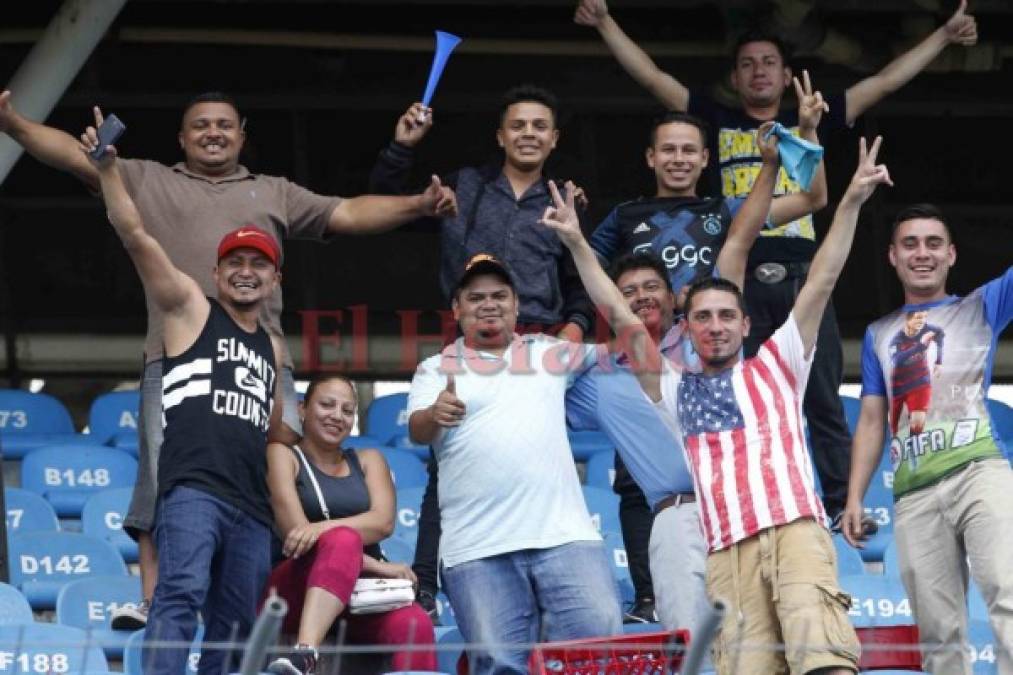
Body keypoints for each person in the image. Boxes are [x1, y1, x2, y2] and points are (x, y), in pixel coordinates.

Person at [0, 89, 454, 628]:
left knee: (281, 476)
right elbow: (74, 155)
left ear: (242, 134)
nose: (212, 132)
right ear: (181, 138)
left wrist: (418, 206)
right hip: (176, 361)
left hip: (265, 365)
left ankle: (269, 601)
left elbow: (349, 212)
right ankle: (152, 597)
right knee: (164, 479)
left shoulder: (273, 191)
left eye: (223, 125)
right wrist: (12, 122)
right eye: (199, 125)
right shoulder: (146, 177)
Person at [575, 0, 978, 523]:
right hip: (732, 283)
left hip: (798, 277)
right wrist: (606, 22)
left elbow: (883, 81)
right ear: (734, 78)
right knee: (736, 394)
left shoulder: (809, 116)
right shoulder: (712, 121)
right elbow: (653, 77)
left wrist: (944, 36)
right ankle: (750, 498)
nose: (758, 71)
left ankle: (837, 507)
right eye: (747, 64)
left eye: (769, 62)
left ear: (788, 75)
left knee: (822, 398)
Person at [542, 133, 895, 674]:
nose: (714, 326)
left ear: (747, 324)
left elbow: (822, 277)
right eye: (703, 317)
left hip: (796, 530)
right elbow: (619, 313)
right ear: (688, 326)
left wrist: (849, 202)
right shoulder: (676, 390)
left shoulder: (780, 363)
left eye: (727, 316)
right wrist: (576, 244)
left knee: (824, 662)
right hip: (726, 550)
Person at [370, 84, 595, 614]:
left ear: (554, 138)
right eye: (518, 125)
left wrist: (575, 330)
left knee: (537, 461)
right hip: (470, 341)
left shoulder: (567, 199)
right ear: (500, 135)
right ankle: (425, 587)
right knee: (448, 460)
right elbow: (384, 195)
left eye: (540, 126)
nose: (528, 134)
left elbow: (582, 277)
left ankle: (545, 586)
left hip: (538, 349)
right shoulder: (464, 186)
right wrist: (404, 147)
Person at [79, 109, 288, 675]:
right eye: (234, 263)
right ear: (216, 276)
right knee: (179, 597)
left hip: (251, 507)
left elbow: (275, 439)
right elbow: (136, 234)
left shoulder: (271, 349)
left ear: (275, 280)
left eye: (259, 265)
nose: (246, 272)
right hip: (194, 489)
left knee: (237, 623)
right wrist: (108, 172)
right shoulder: (191, 308)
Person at [406, 252, 621, 674]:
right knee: (501, 665)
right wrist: (435, 414)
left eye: (500, 295)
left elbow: (625, 349)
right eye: (476, 297)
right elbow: (417, 428)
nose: (489, 303)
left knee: (593, 649)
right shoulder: (435, 368)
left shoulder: (549, 352)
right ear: (457, 309)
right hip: (477, 549)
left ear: (517, 304)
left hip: (564, 538)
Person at [842, 204, 1012, 674]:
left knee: (1009, 593)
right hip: (915, 493)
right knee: (937, 631)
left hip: (981, 471)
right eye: (910, 244)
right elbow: (873, 419)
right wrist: (855, 495)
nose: (923, 253)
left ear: (952, 255)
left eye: (934, 243)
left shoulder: (980, 305)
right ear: (892, 256)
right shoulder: (878, 334)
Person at [264, 375, 436, 675]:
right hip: (294, 588)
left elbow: (382, 523)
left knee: (415, 623)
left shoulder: (370, 460)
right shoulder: (282, 454)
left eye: (347, 410)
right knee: (342, 538)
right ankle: (304, 655)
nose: (337, 416)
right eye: (327, 405)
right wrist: (378, 565)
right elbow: (295, 535)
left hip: (357, 594)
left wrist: (318, 528)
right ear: (303, 409)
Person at [887, 309, 945, 435]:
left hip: (920, 381)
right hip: (898, 385)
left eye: (924, 317)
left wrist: (939, 362)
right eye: (918, 317)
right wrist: (920, 346)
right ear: (908, 320)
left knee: (918, 423)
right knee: (892, 428)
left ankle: (914, 449)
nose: (922, 321)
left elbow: (940, 334)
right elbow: (897, 360)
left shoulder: (929, 329)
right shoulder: (896, 340)